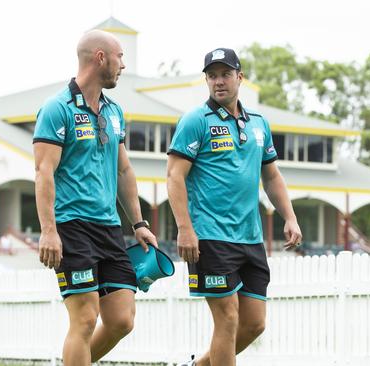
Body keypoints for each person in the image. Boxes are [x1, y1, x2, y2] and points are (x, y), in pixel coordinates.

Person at [166, 48, 303, 366]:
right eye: (212, 76)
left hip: (250, 238)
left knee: (254, 324)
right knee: (227, 319)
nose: (218, 82)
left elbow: (271, 176)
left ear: (239, 77)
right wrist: (185, 229)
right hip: (210, 236)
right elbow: (174, 176)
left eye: (225, 74)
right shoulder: (195, 121)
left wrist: (290, 217)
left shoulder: (259, 124)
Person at [33, 29, 157, 365]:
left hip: (109, 228)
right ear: (100, 57)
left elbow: (124, 171)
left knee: (121, 320)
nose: (123, 65)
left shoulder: (114, 112)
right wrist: (48, 230)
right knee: (85, 318)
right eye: (120, 57)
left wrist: (139, 222)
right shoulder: (56, 109)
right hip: (71, 226)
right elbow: (44, 172)